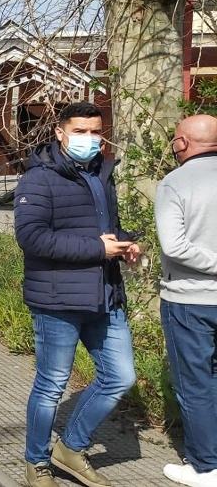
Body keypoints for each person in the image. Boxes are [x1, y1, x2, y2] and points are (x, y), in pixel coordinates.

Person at [15, 102, 138, 487]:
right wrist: (98, 249)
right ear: (60, 133)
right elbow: (31, 237)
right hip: (57, 299)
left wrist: (126, 243)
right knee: (52, 384)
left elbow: (107, 227)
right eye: (80, 131)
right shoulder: (39, 178)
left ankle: (70, 448)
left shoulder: (102, 174)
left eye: (95, 132)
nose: (89, 139)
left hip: (104, 295)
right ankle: (37, 462)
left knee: (121, 377)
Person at [157, 115, 217, 487]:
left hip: (189, 298)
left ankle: (205, 466)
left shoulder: (174, 183)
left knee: (195, 383)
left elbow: (174, 246)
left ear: (181, 144)